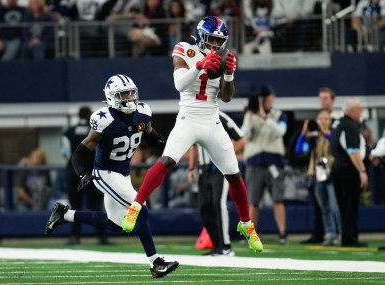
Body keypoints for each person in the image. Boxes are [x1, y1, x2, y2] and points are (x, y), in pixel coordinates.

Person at [121, 16, 263, 253]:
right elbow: (179, 85)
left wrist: (228, 75)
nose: (216, 45)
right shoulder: (184, 50)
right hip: (188, 117)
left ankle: (246, 224)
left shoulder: (222, 56)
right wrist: (200, 66)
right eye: (212, 39)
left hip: (212, 118)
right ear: (200, 36)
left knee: (234, 174)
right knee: (167, 160)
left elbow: (226, 96)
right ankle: (136, 205)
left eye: (219, 40)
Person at [45, 74, 179, 278]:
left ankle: (65, 215)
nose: (130, 98)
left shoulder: (143, 112)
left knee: (115, 225)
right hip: (106, 173)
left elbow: (151, 136)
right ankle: (155, 262)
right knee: (140, 210)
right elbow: (80, 152)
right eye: (124, 94)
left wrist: (168, 148)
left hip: (123, 174)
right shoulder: (104, 120)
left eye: (131, 93)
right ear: (112, 97)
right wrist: (83, 173)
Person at [188, 110, 245, 256]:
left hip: (219, 169)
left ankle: (226, 246)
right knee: (204, 207)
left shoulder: (220, 117)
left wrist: (225, 156)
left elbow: (241, 140)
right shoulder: (193, 117)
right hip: (203, 170)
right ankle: (217, 245)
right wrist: (192, 167)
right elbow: (193, 145)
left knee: (218, 204)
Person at [241, 85, 288, 245]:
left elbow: (281, 132)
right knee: (253, 201)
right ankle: (251, 236)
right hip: (254, 161)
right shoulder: (250, 115)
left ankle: (282, 233)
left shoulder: (279, 114)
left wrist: (264, 117)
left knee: (278, 199)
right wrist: (249, 117)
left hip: (274, 160)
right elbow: (244, 135)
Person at [61, 105, 109, 245]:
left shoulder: (68, 132)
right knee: (96, 206)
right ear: (89, 115)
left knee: (75, 206)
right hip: (92, 173)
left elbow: (65, 154)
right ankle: (101, 237)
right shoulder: (95, 131)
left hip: (73, 173)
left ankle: (74, 236)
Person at [295, 111, 341, 246]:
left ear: (330, 121)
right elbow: (298, 150)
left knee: (334, 206)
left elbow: (334, 144)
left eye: (326, 119)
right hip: (318, 175)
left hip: (332, 174)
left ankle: (340, 233)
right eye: (321, 119)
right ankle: (330, 233)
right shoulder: (314, 138)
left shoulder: (333, 134)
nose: (323, 121)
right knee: (324, 207)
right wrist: (303, 133)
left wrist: (322, 131)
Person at [330, 97, 369, 247]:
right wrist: (362, 170)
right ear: (352, 110)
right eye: (359, 109)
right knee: (350, 205)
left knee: (343, 205)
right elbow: (353, 152)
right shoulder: (349, 126)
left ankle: (347, 236)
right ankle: (349, 238)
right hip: (348, 169)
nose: (361, 112)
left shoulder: (337, 123)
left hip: (338, 167)